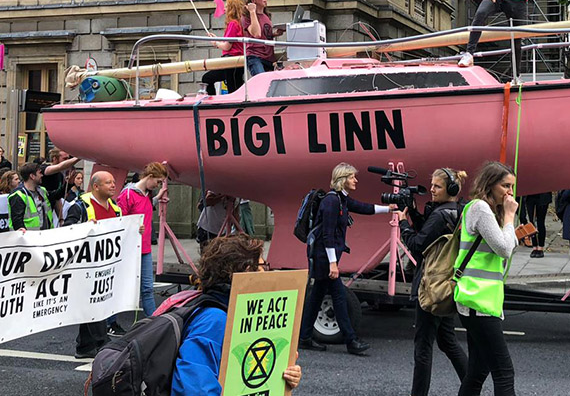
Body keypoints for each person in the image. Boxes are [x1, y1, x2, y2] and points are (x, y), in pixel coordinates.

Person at [171, 234, 302, 395]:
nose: (269, 272)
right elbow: (193, 389)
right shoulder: (214, 320)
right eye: (263, 266)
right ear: (248, 272)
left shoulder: (241, 315)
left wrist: (284, 376)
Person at [298, 163, 392, 355]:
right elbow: (327, 234)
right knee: (339, 297)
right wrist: (333, 264)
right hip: (325, 258)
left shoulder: (341, 199)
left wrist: (389, 208)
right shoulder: (332, 202)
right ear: (342, 179)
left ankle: (305, 337)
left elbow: (362, 207)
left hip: (326, 257)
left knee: (316, 297)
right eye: (352, 177)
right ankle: (351, 340)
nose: (355, 180)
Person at [399, 168, 470, 396]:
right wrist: (415, 214)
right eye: (431, 185)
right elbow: (431, 236)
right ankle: (472, 387)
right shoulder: (458, 210)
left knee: (423, 347)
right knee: (447, 340)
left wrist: (403, 224)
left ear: (450, 189)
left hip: (431, 285)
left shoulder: (440, 215)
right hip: (447, 282)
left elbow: (418, 245)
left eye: (437, 186)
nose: (431, 190)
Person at [452, 161, 518, 396]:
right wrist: (510, 217)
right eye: (505, 186)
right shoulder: (479, 208)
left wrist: (506, 218)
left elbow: (506, 246)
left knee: (478, 371)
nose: (509, 192)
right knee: (504, 371)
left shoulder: (488, 210)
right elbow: (504, 249)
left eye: (512, 187)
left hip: (480, 300)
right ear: (489, 184)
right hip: (477, 301)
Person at [64, 171, 126, 355]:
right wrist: (83, 228)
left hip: (107, 264)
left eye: (114, 182)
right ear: (96, 186)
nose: (113, 185)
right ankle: (102, 343)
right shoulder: (81, 206)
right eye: (108, 182)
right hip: (86, 265)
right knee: (94, 302)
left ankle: (84, 346)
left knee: (93, 302)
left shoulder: (115, 207)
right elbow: (66, 229)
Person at [117, 162, 167, 318]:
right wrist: (132, 229)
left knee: (147, 288)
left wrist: (157, 198)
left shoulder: (145, 194)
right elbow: (118, 221)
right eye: (158, 182)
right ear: (150, 177)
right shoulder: (127, 194)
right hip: (130, 248)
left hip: (144, 248)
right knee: (123, 286)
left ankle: (153, 320)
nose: (158, 185)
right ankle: (111, 322)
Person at [201, 0, 248, 94]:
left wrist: (216, 43)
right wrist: (217, 40)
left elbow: (227, 46)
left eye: (227, 7)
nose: (224, 9)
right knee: (235, 86)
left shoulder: (233, 24)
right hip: (237, 61)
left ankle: (213, 103)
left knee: (209, 79)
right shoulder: (240, 24)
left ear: (232, 9)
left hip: (231, 61)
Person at [243, 0, 284, 76]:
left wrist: (274, 34)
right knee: (261, 80)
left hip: (269, 57)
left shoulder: (266, 16)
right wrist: (252, 12)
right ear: (253, 0)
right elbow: (256, 34)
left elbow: (264, 34)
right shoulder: (247, 17)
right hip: (255, 55)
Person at [9, 162, 55, 231]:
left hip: (44, 235)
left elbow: (56, 196)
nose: (42, 175)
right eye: (39, 173)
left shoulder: (41, 190)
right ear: (32, 176)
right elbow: (17, 222)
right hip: (28, 238)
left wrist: (68, 184)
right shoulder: (18, 195)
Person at [40, 148, 81, 221]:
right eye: (65, 159)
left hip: (48, 213)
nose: (68, 161)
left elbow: (57, 198)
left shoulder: (60, 175)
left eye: (68, 158)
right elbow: (60, 166)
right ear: (54, 159)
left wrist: (61, 219)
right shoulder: (43, 168)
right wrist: (79, 157)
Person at [520, 192, 552, 258]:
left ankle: (540, 247)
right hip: (530, 196)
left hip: (543, 195)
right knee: (532, 222)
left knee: (540, 222)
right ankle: (534, 246)